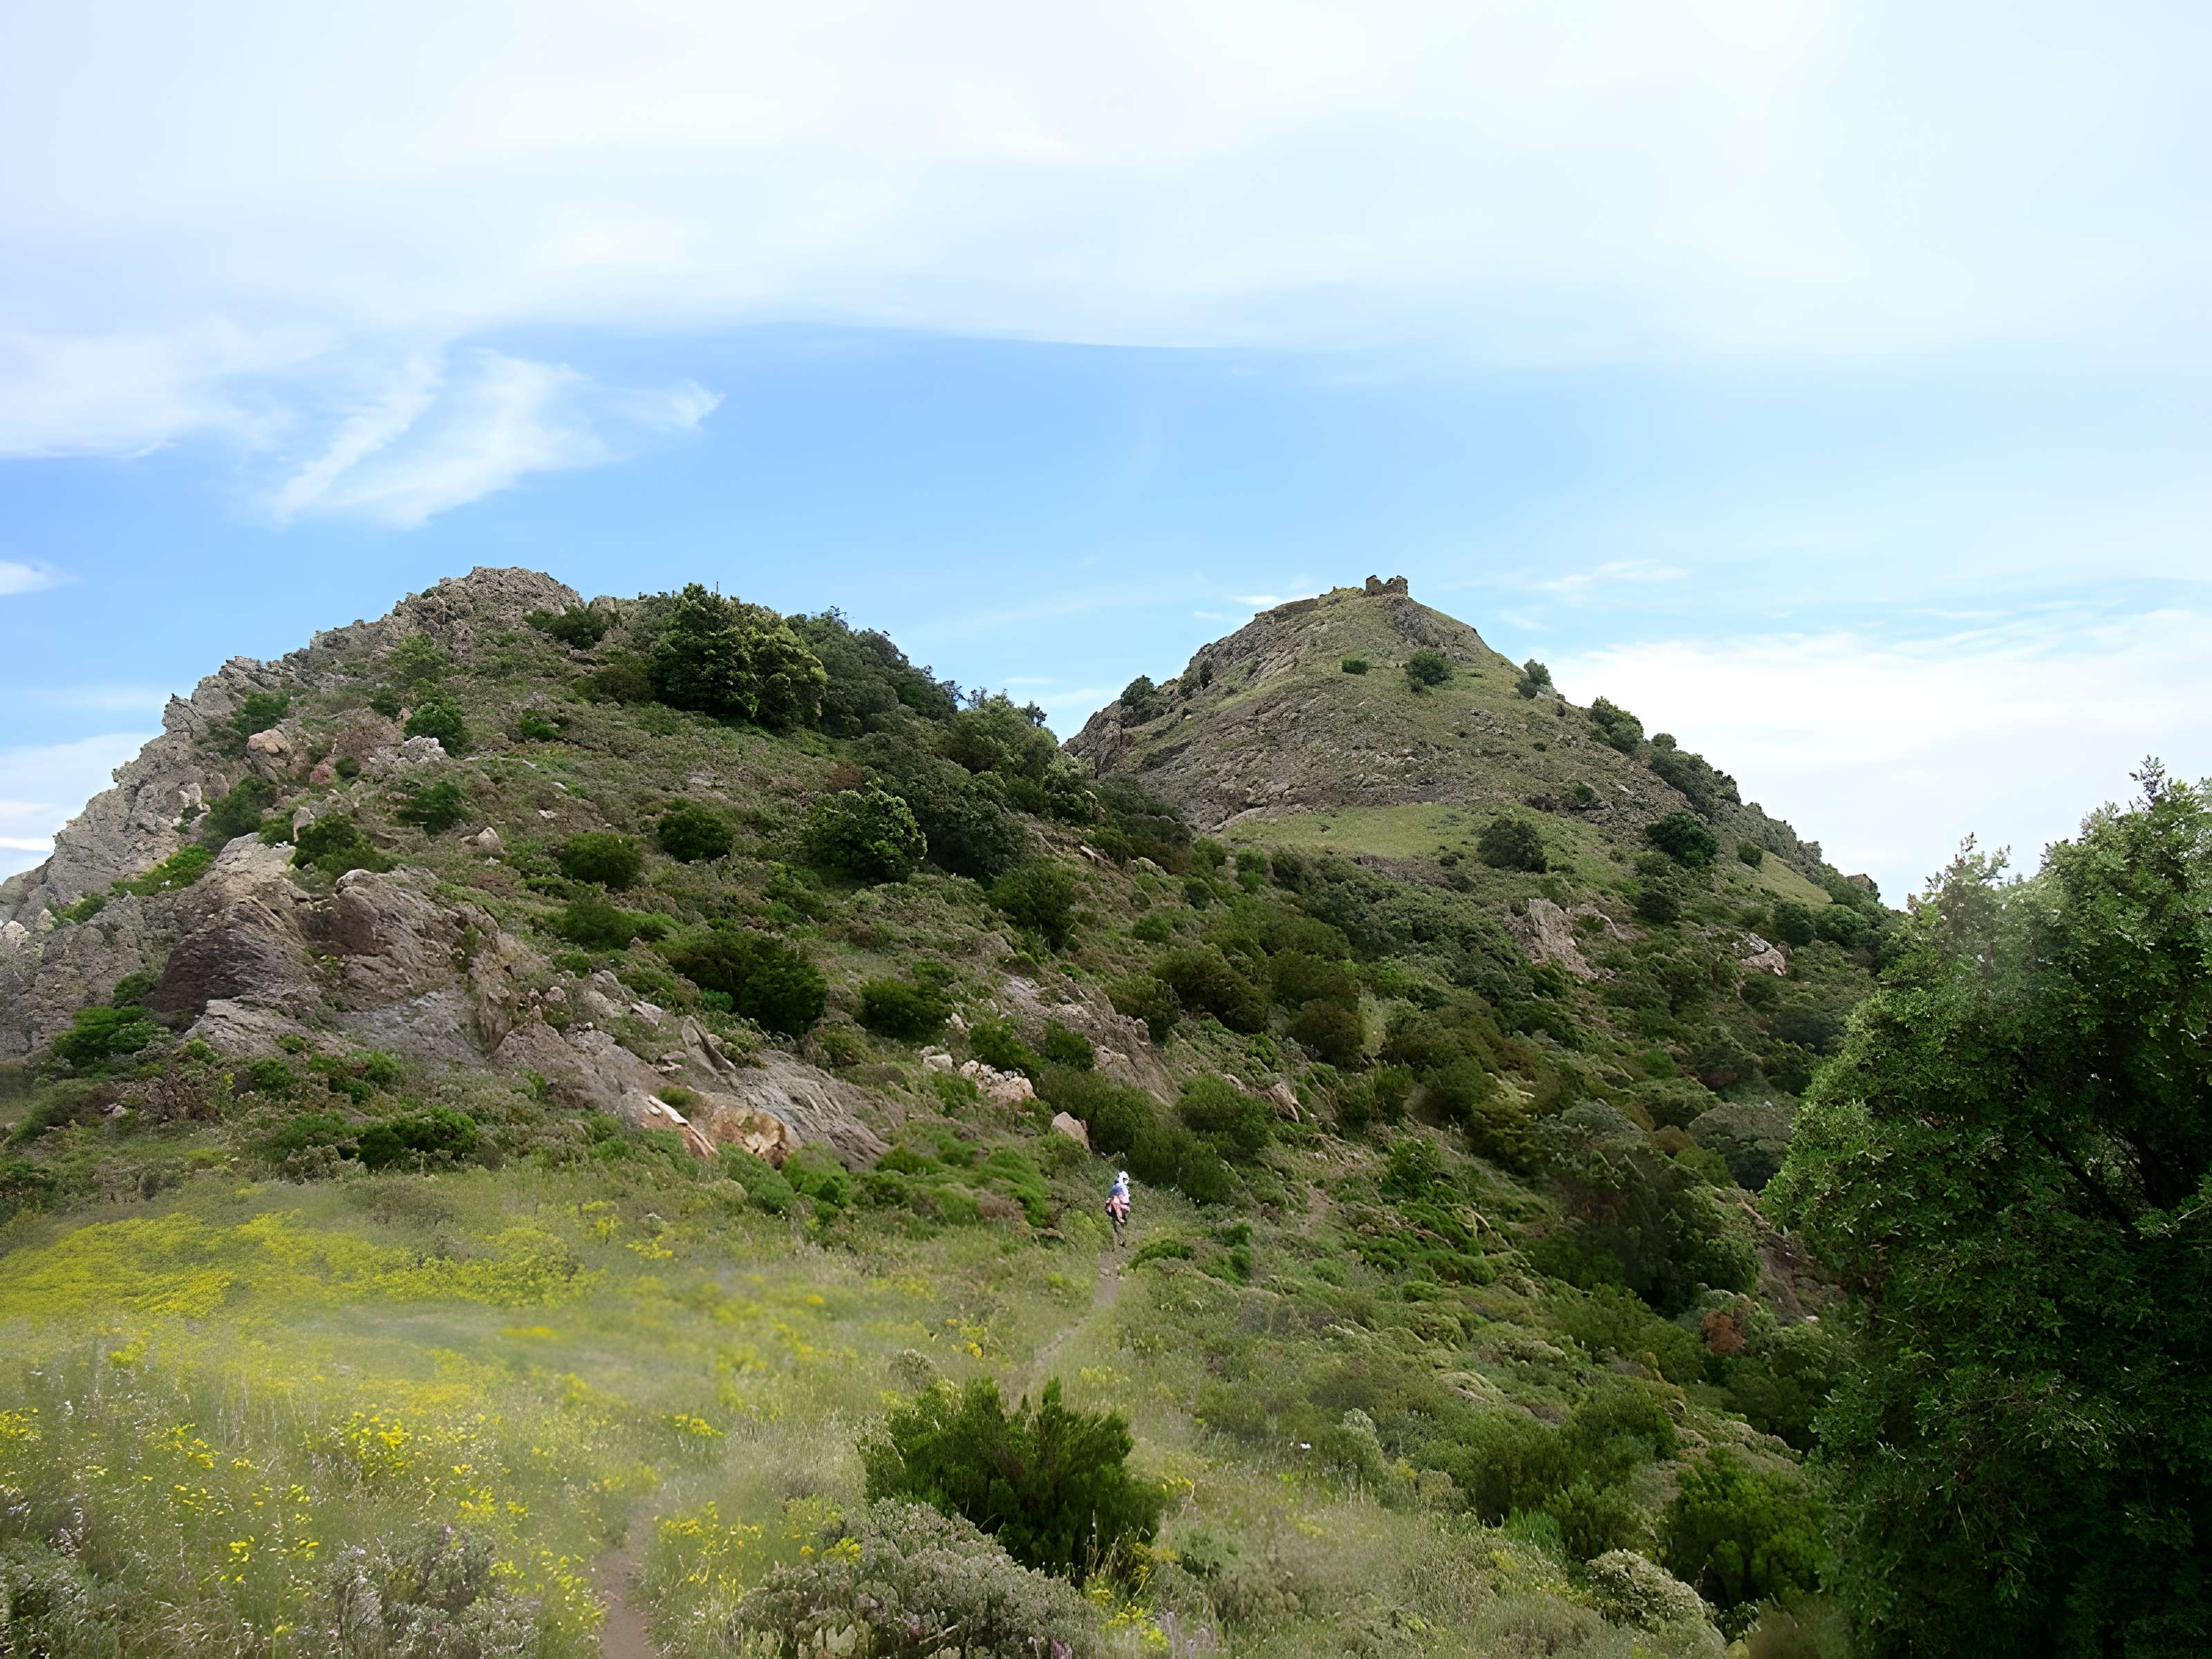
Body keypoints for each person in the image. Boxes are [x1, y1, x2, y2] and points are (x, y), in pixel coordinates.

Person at [1106, 1170, 1132, 1241]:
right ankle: (1123, 1238)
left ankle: (1122, 1238)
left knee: (1117, 1222)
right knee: (1120, 1222)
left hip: (1117, 1207)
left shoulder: (1117, 1186)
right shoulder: (1124, 1187)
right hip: (1122, 1208)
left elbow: (1110, 1196)